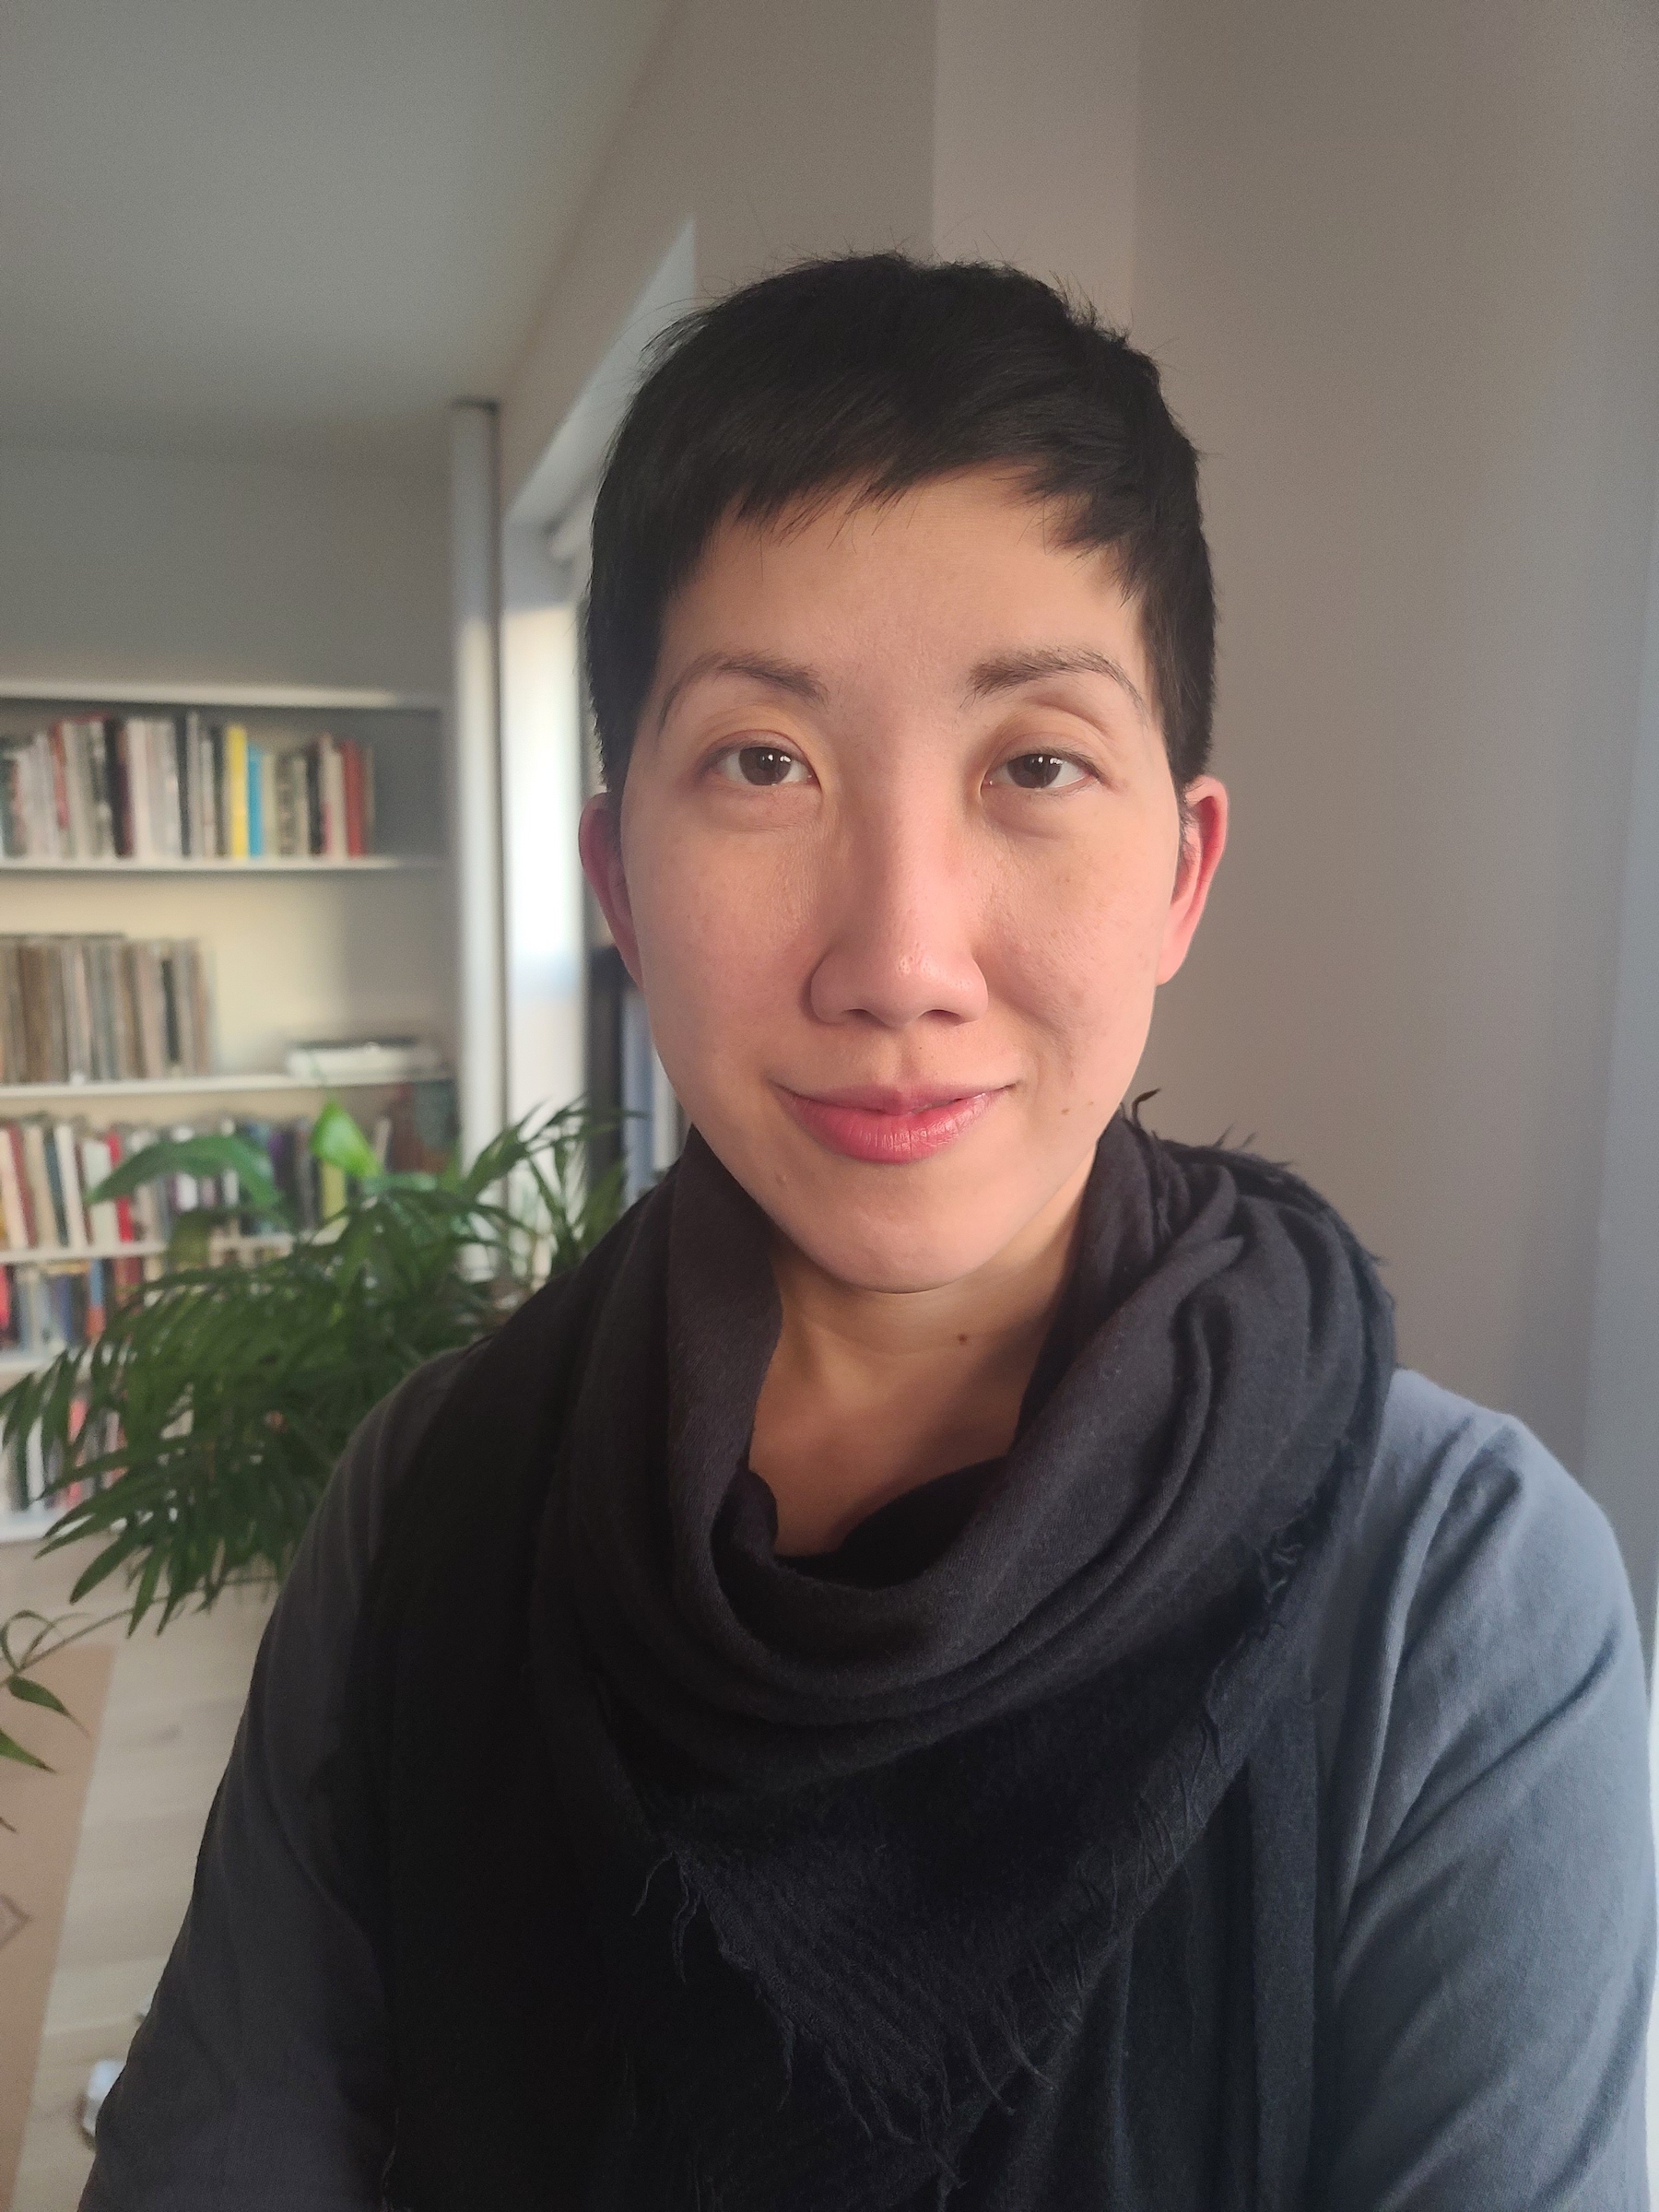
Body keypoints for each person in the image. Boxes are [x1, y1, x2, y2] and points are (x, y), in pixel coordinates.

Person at [84, 254, 1653, 2212]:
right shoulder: (438, 1492)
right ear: (619, 887)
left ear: (1180, 875)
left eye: (1036, 765)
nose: (900, 959)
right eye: (765, 763)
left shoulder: (1459, 1599)